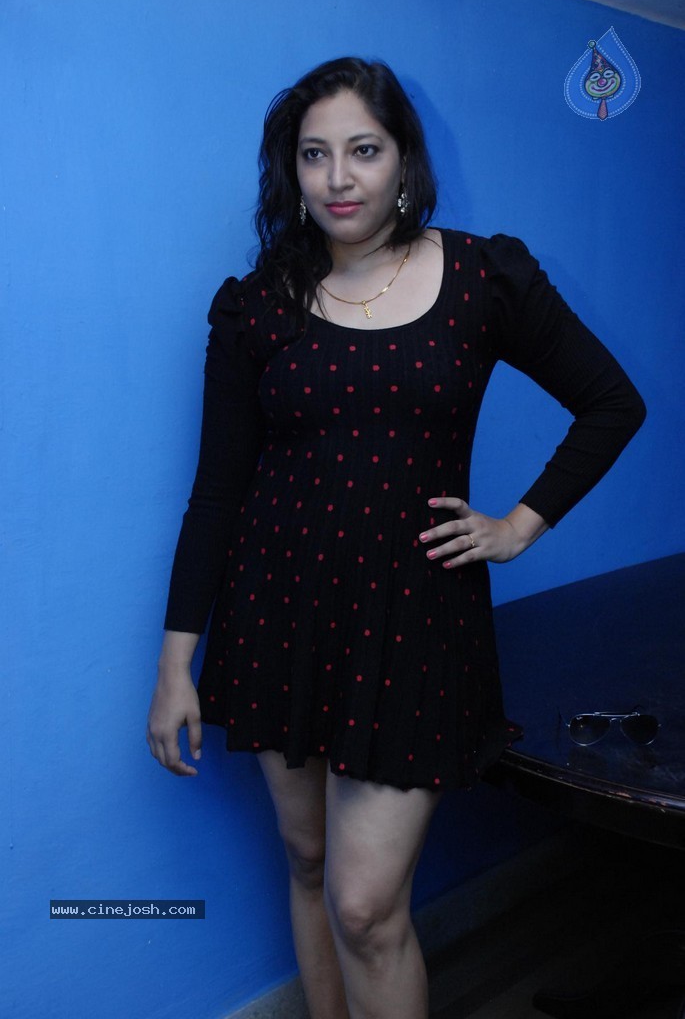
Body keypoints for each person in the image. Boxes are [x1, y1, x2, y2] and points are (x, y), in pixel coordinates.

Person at [146, 57, 646, 1019]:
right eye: (314, 155)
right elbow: (216, 493)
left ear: (403, 160)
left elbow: (610, 403)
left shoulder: (483, 277)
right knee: (306, 860)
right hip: (276, 615)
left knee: (366, 907)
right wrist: (175, 666)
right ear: (290, 170)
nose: (338, 178)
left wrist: (518, 526)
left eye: (362, 151)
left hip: (413, 625)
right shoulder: (255, 305)